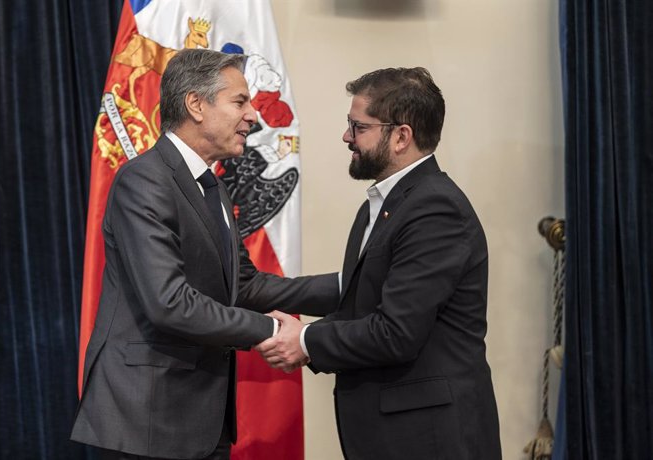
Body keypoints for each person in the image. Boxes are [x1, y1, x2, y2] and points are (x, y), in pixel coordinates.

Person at [70, 49, 338, 460]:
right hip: (149, 420)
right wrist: (271, 332)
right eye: (240, 101)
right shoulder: (144, 180)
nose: (253, 115)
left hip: (200, 419)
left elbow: (244, 283)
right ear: (196, 104)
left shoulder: (212, 186)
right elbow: (169, 303)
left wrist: (347, 285)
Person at [257, 67, 502, 459]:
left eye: (359, 127)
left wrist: (304, 340)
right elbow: (360, 302)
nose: (347, 137)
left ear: (401, 136)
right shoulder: (385, 204)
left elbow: (395, 332)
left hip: (431, 440)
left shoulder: (434, 209)